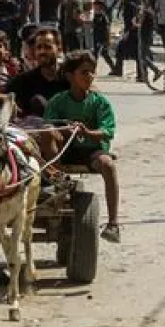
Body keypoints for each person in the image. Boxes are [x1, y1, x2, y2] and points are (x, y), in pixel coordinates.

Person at [43, 51, 121, 243]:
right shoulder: (58, 101)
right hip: (63, 151)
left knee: (108, 165)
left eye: (92, 72)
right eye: (84, 72)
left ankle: (113, 224)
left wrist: (86, 132)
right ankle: (58, 182)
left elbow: (107, 131)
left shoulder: (99, 102)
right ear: (70, 76)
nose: (90, 76)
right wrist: (60, 130)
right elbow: (47, 124)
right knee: (46, 135)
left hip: (90, 150)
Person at [3, 25, 70, 118]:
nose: (42, 52)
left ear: (59, 48)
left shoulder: (69, 78)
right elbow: (3, 95)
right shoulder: (24, 80)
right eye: (39, 47)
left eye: (47, 47)